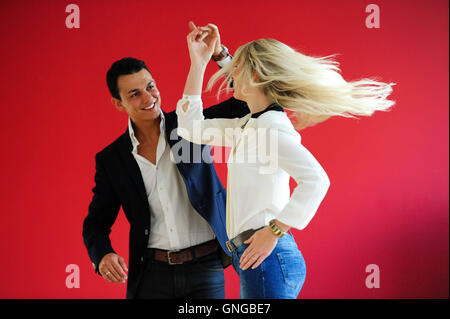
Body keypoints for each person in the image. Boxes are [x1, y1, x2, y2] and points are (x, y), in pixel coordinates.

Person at [176, 26, 396, 298]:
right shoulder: (247, 125)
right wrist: (198, 62)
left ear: (255, 75)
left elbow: (316, 180)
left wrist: (274, 231)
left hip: (267, 259)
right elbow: (189, 128)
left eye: (237, 67)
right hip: (257, 260)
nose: (229, 73)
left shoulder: (270, 128)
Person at [82, 24, 251, 299]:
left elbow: (245, 103)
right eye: (134, 94)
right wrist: (102, 255)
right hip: (151, 275)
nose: (149, 98)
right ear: (117, 103)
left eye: (150, 87)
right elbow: (96, 222)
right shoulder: (111, 159)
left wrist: (219, 55)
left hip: (205, 270)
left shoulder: (189, 125)